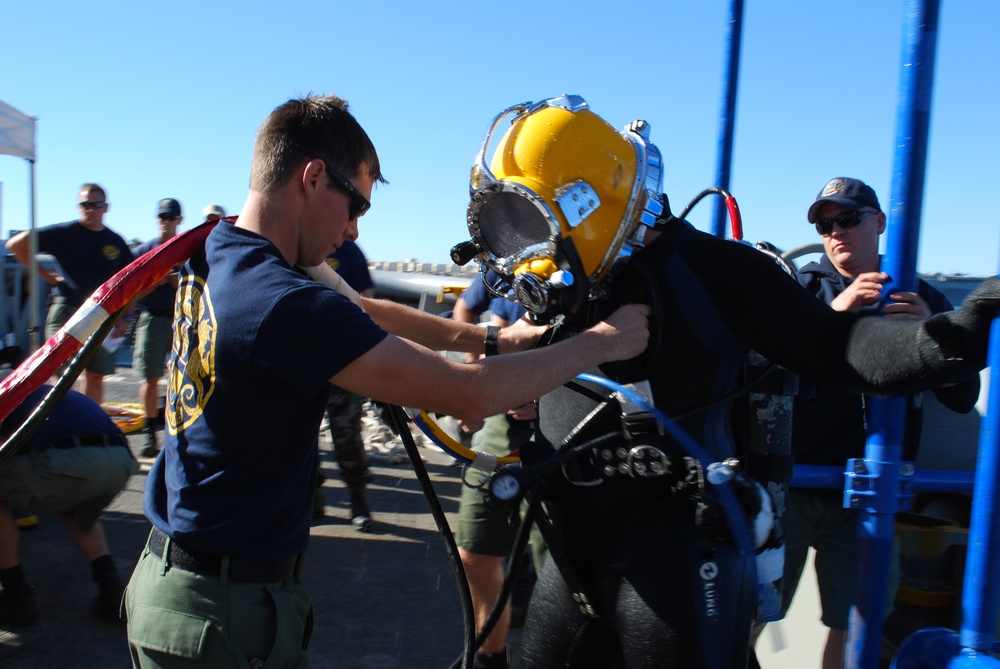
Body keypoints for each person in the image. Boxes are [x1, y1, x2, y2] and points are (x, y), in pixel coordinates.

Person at [451, 94, 1000, 669]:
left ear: (591, 200)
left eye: (529, 222)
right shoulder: (572, 281)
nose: (526, 254)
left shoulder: (717, 270)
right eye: (509, 228)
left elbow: (846, 348)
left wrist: (968, 328)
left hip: (674, 562)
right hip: (569, 558)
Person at [122, 94, 650, 669]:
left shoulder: (224, 246)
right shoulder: (277, 302)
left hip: (185, 582)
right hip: (220, 614)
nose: (351, 231)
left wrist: (495, 341)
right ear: (313, 176)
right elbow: (464, 393)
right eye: (356, 208)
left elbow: (361, 310)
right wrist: (607, 341)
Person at [769, 177, 981, 669]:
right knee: (750, 610)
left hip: (871, 492)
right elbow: (762, 375)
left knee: (856, 627)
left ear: (880, 223)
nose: (835, 232)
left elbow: (961, 396)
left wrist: (931, 337)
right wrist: (833, 316)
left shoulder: (918, 295)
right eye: (825, 225)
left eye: (848, 218)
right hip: (792, 482)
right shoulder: (798, 289)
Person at [0, 383, 140, 626]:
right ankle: (112, 593)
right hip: (120, 460)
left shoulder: (7, 393)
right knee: (73, 505)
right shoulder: (38, 384)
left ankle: (16, 597)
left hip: (70, 460)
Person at [453, 270, 534, 669]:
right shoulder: (507, 262)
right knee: (475, 550)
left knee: (563, 563)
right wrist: (476, 376)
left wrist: (551, 395)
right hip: (502, 426)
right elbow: (465, 308)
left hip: (570, 418)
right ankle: (490, 660)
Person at [5, 184, 135, 405]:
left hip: (101, 315)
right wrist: (46, 276)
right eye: (85, 204)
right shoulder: (65, 233)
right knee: (64, 376)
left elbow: (131, 282)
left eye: (96, 205)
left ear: (106, 208)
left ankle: (89, 426)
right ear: (79, 207)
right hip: (67, 312)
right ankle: (62, 428)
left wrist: (125, 317)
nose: (91, 209)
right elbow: (16, 244)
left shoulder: (115, 242)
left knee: (96, 375)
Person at [315, 240, 378, 531]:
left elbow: (366, 298)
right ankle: (312, 497)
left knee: (347, 431)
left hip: (342, 360)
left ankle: (358, 496)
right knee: (301, 437)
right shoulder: (294, 246)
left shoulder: (349, 252)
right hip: (303, 361)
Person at [131, 198, 184, 458]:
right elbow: (136, 292)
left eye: (171, 217)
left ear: (179, 220)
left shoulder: (188, 249)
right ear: (156, 219)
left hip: (181, 317)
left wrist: (176, 284)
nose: (166, 222)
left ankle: (176, 432)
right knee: (150, 377)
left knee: (181, 377)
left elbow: (198, 287)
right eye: (162, 217)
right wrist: (160, 280)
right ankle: (150, 433)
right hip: (152, 318)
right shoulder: (145, 251)